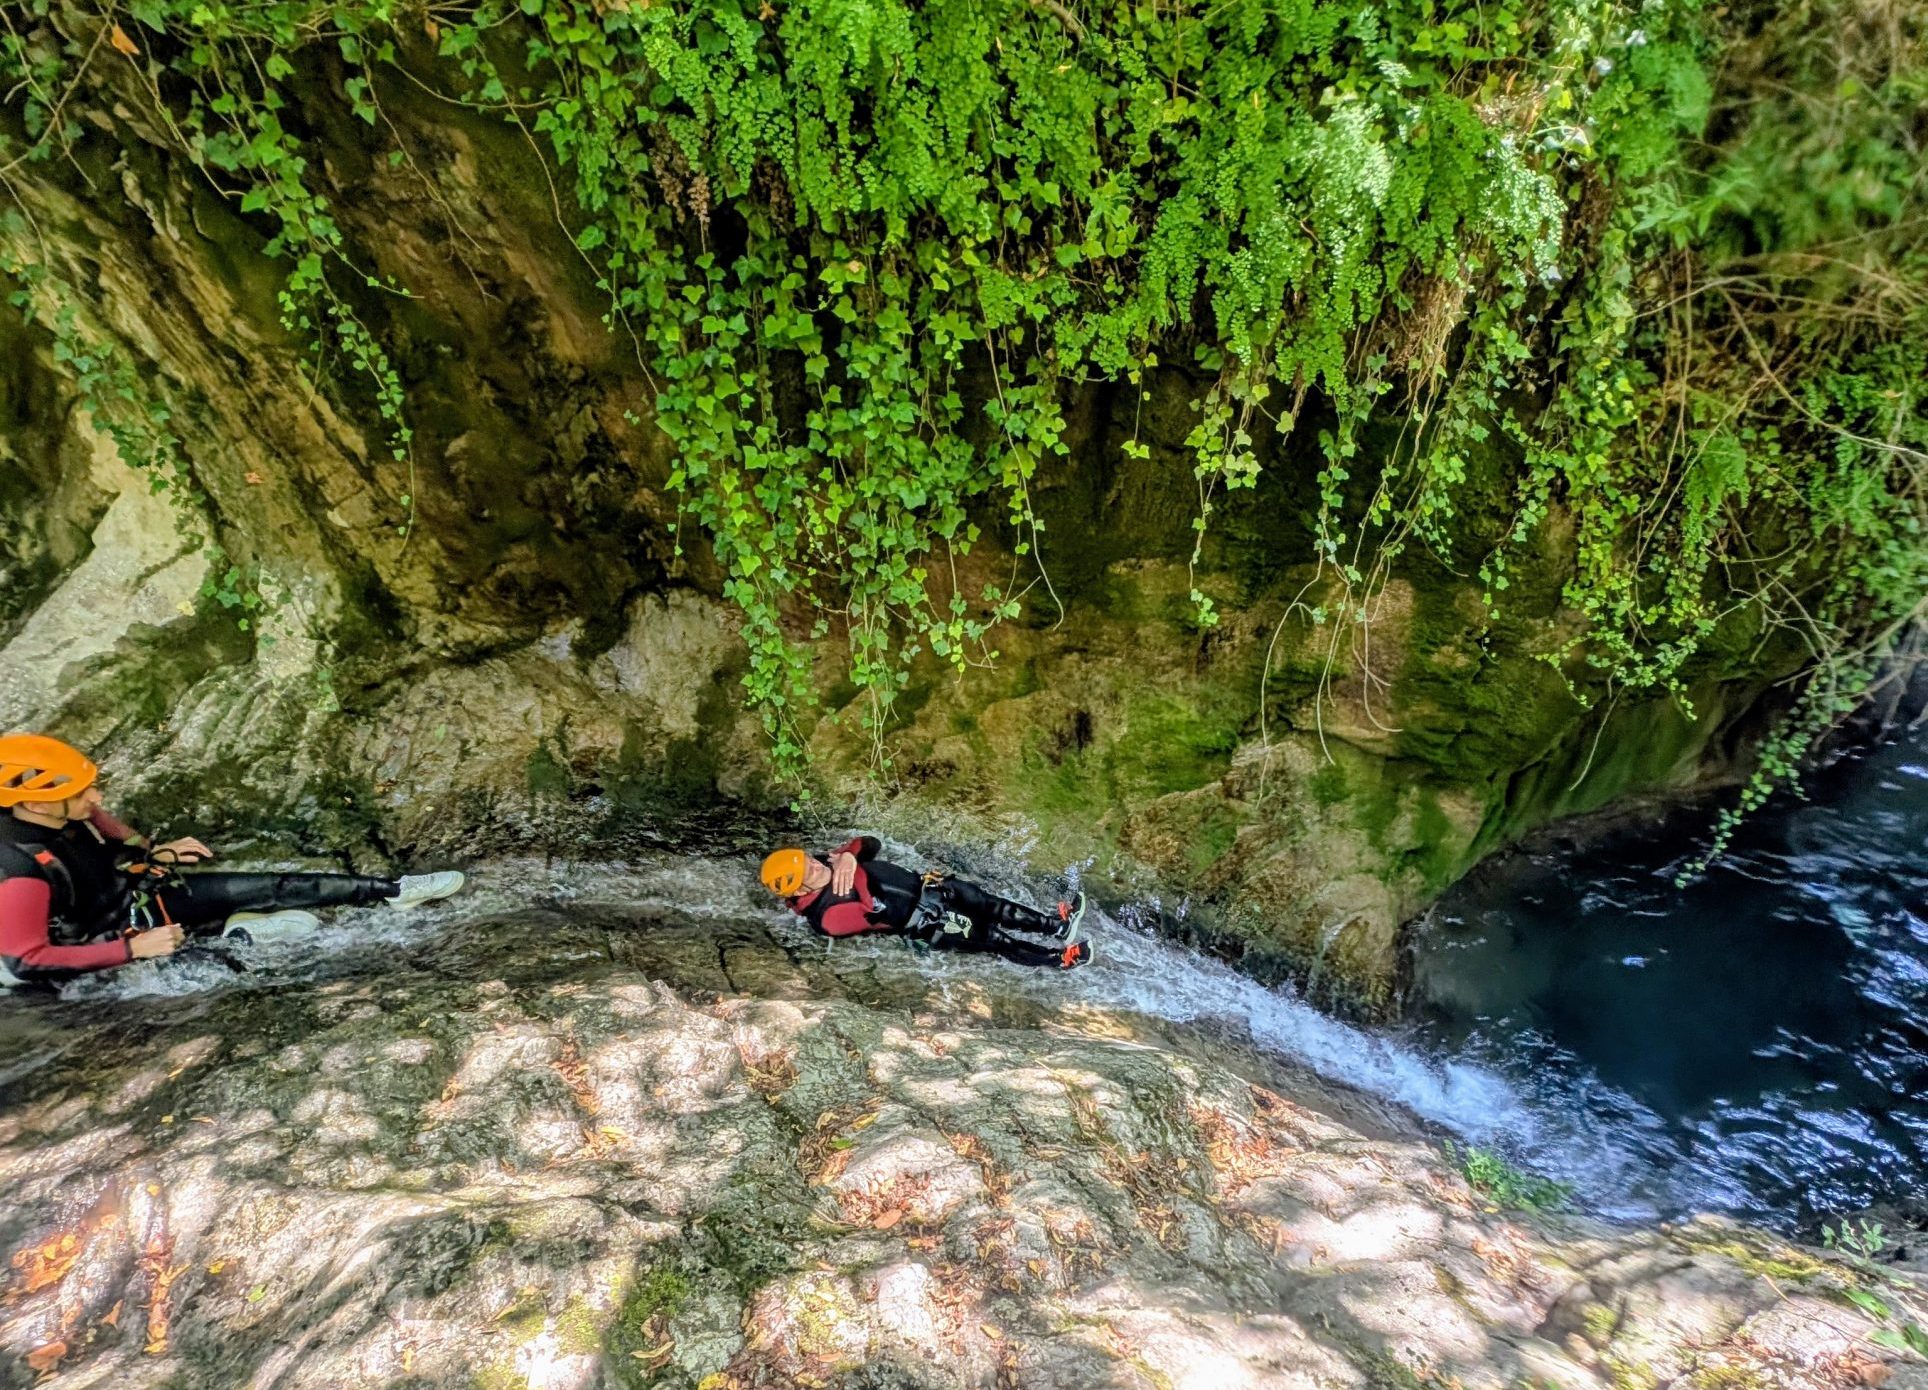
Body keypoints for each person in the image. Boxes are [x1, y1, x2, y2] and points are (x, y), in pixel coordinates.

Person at [0, 733, 464, 987]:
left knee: (272, 886)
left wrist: (148, 848)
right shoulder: (17, 867)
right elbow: (26, 959)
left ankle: (394, 890)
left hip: (138, 901)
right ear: (35, 803)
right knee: (210, 972)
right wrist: (131, 951)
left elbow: (101, 819)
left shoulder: (63, 808)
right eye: (81, 793)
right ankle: (236, 937)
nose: (96, 798)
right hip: (95, 944)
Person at [760, 835, 1093, 970]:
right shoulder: (826, 918)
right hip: (930, 920)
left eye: (809, 859)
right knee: (995, 939)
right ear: (799, 889)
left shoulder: (828, 863)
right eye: (809, 869)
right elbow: (874, 907)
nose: (817, 864)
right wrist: (852, 866)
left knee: (994, 905)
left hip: (931, 887)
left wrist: (848, 854)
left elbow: (871, 844)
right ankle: (1059, 960)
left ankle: (1057, 926)